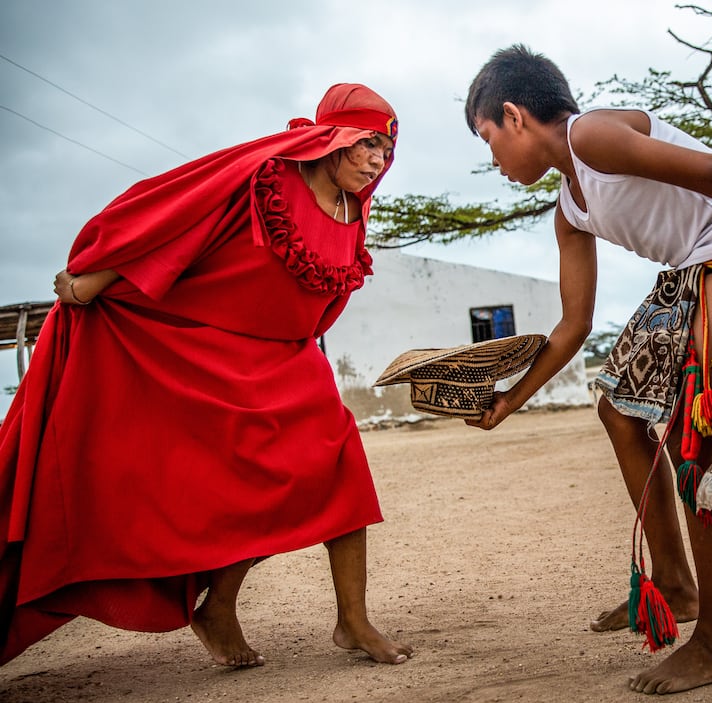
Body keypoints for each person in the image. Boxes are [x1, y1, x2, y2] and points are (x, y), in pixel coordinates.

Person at [0, 84, 413, 667]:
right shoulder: (268, 180)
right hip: (209, 357)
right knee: (244, 493)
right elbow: (176, 227)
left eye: (386, 151)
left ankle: (353, 621)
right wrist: (97, 281)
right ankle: (218, 608)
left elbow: (322, 301)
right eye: (367, 144)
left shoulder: (354, 211)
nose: (377, 160)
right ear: (329, 140)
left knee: (340, 465)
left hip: (289, 360)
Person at [462, 45, 712, 695]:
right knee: (619, 409)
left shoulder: (592, 134)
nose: (494, 160)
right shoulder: (570, 209)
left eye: (487, 139)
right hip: (691, 270)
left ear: (514, 116)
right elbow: (574, 325)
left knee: (693, 440)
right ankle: (674, 587)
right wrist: (511, 398)